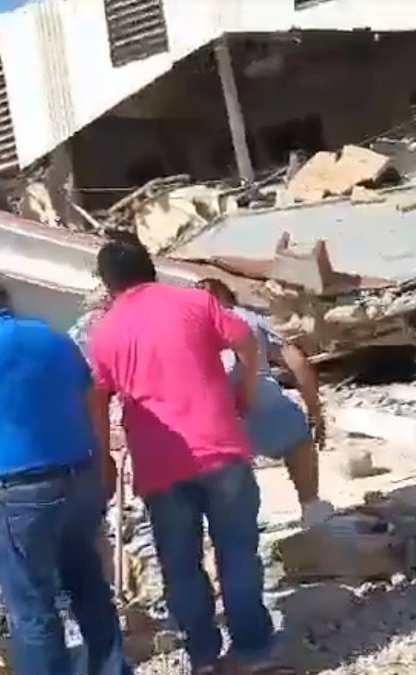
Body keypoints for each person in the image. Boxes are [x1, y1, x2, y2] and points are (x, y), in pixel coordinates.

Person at [87, 239, 281, 675]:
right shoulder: (194, 302)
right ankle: (253, 650)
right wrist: (245, 390)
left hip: (161, 462)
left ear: (107, 282)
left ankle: (204, 657)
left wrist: (105, 459)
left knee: (181, 564)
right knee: (238, 552)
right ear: (150, 266)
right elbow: (247, 339)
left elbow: (96, 400)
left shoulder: (104, 332)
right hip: (220, 445)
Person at [0, 274, 128, 675]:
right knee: (88, 588)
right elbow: (94, 401)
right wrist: (104, 460)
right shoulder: (55, 340)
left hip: (24, 493)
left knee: (32, 605)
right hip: (81, 478)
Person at [194, 278, 335, 527]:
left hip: (213, 414)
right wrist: (315, 411)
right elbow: (295, 360)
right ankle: (310, 504)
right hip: (260, 403)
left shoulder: (188, 323)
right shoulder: (247, 318)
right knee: (296, 435)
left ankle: (232, 521)